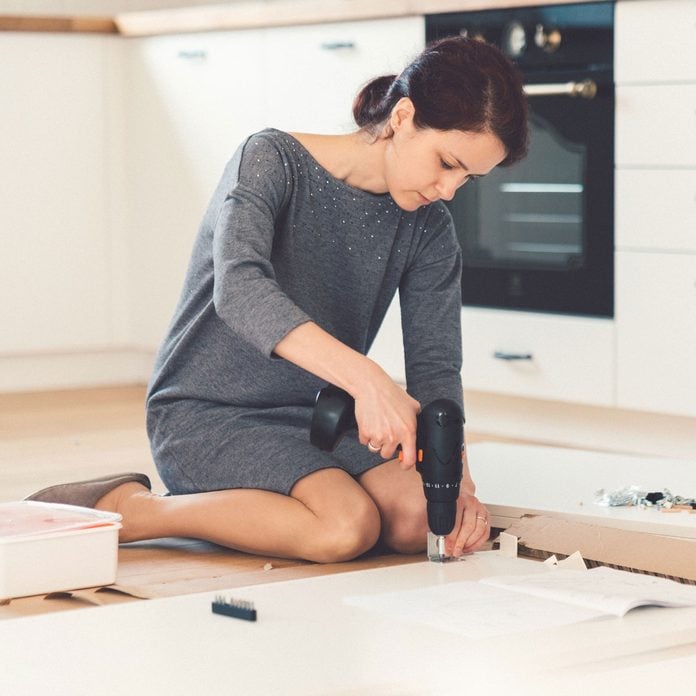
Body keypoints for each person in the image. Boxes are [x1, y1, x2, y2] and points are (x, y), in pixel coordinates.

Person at [27, 36, 528, 563]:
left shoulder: (429, 228)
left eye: (467, 180)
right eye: (447, 163)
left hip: (321, 418)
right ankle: (131, 510)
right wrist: (367, 379)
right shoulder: (270, 160)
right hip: (207, 414)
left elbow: (435, 365)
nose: (448, 190)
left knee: (420, 521)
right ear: (403, 116)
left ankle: (278, 505)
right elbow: (239, 290)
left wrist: (458, 483)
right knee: (343, 528)